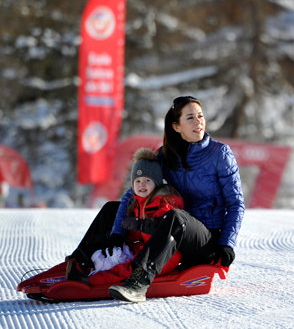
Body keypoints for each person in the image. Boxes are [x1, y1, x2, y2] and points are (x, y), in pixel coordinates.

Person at [66, 95, 245, 303]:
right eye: (190, 118)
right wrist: (116, 233)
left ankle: (139, 281)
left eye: (200, 116)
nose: (198, 122)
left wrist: (227, 243)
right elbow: (131, 194)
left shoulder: (220, 154)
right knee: (111, 209)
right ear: (176, 127)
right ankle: (78, 264)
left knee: (177, 217)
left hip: (204, 241)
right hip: (170, 233)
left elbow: (235, 203)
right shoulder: (166, 156)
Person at [65, 147, 184, 289]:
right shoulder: (138, 203)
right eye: (138, 181)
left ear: (157, 184)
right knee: (112, 252)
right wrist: (110, 238)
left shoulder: (162, 205)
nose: (142, 184)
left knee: (129, 267)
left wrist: (139, 225)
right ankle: (84, 263)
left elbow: (161, 232)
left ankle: (93, 280)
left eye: (147, 180)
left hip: (162, 255)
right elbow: (134, 234)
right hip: (141, 249)